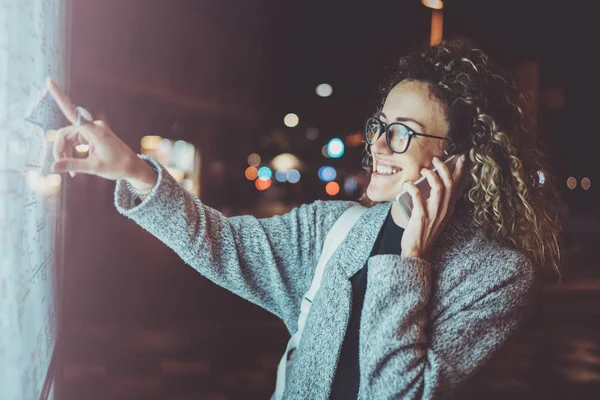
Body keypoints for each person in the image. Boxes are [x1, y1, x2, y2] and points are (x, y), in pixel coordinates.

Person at [46, 41, 562, 399]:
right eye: (379, 126)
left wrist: (411, 261)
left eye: (401, 133)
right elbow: (221, 242)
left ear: (458, 160)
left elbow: (396, 394)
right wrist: (131, 168)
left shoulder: (497, 276)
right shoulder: (335, 228)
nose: (377, 146)